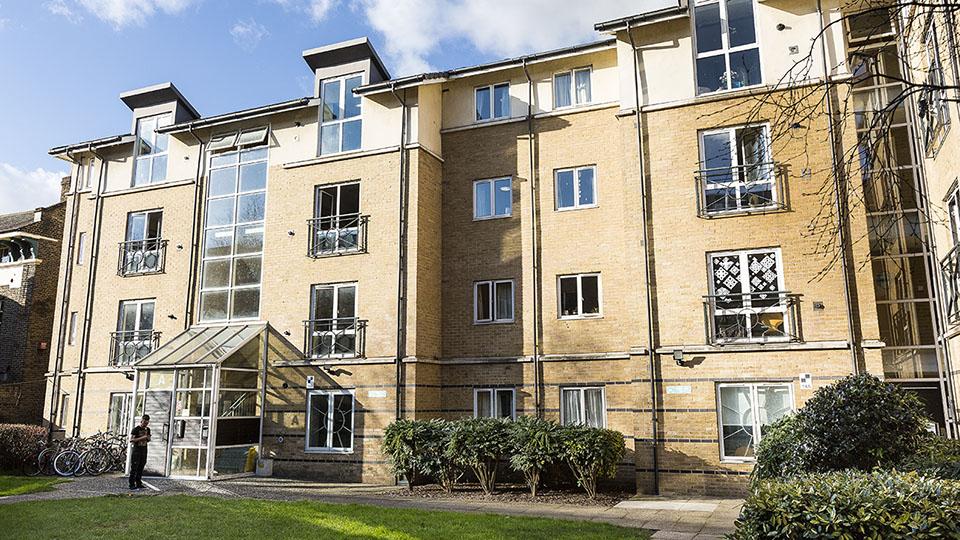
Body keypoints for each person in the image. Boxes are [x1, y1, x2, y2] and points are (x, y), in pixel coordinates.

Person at [129, 414, 151, 490]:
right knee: (134, 467)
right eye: (144, 422)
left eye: (147, 423)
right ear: (141, 421)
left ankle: (139, 483)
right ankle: (131, 484)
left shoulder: (147, 429)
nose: (145, 424)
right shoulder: (136, 429)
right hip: (137, 450)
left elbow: (148, 439)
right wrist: (142, 437)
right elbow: (131, 440)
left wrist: (148, 438)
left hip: (144, 449)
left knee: (141, 467)